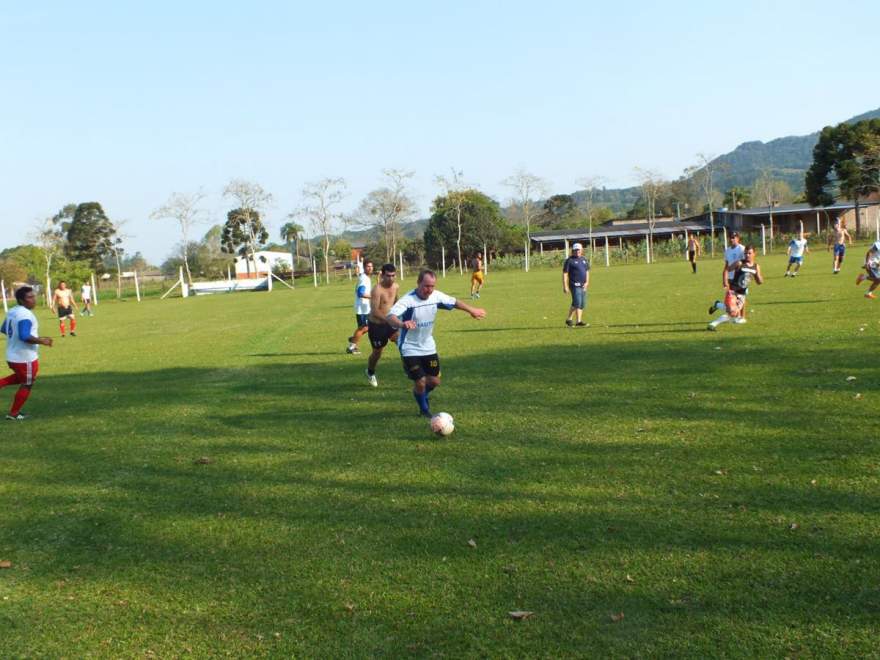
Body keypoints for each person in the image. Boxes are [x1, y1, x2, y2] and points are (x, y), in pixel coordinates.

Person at [386, 269, 485, 418]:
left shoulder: (436, 296)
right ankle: (424, 409)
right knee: (420, 381)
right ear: (418, 283)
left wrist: (471, 310)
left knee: (434, 381)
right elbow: (390, 317)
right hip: (409, 347)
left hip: (428, 346)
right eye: (426, 286)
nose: (429, 290)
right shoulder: (408, 301)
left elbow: (454, 302)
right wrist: (402, 324)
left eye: (432, 286)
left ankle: (421, 395)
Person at [0, 286, 53, 420]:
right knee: (27, 383)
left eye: (33, 296)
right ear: (21, 300)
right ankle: (13, 414)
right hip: (24, 358)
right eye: (30, 297)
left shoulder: (13, 311)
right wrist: (42, 341)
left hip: (12, 355)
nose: (33, 300)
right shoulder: (25, 315)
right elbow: (24, 336)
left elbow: (3, 328)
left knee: (21, 378)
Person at [708, 245, 763, 330]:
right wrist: (725, 282)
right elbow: (727, 270)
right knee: (732, 312)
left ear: (754, 254)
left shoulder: (756, 266)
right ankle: (712, 324)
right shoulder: (739, 263)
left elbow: (759, 282)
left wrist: (759, 277)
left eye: (749, 253)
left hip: (742, 294)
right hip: (732, 291)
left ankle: (717, 304)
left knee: (732, 312)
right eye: (745, 253)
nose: (747, 255)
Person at [365, 263, 400, 387]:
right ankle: (370, 372)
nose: (391, 278)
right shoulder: (377, 290)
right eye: (388, 276)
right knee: (377, 353)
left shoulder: (396, 286)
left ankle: (412, 369)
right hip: (377, 326)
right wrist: (389, 320)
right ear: (382, 275)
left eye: (393, 276)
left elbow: (396, 302)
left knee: (402, 343)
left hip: (390, 323)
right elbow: (375, 311)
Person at [707, 232, 745, 318]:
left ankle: (741, 317)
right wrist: (724, 279)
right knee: (731, 304)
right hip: (731, 279)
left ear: (738, 238)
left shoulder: (742, 249)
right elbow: (726, 266)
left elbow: (745, 263)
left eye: (733, 237)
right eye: (730, 237)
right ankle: (718, 305)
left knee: (741, 298)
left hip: (740, 278)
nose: (731, 239)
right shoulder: (727, 251)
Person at [347, 260, 374, 355]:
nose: (370, 268)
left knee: (368, 327)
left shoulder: (365, 277)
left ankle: (353, 338)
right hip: (362, 308)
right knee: (363, 328)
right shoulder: (364, 279)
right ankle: (351, 347)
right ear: (364, 267)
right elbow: (360, 293)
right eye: (368, 266)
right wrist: (373, 296)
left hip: (365, 307)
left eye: (371, 266)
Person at [562, 243, 590, 327]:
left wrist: (587, 282)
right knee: (577, 302)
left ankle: (577, 321)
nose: (577, 251)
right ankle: (571, 319)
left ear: (581, 250)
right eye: (576, 250)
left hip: (583, 285)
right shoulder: (569, 260)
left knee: (581, 303)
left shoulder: (584, 259)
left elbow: (587, 271)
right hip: (574, 285)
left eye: (579, 250)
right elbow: (565, 274)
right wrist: (565, 286)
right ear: (573, 250)